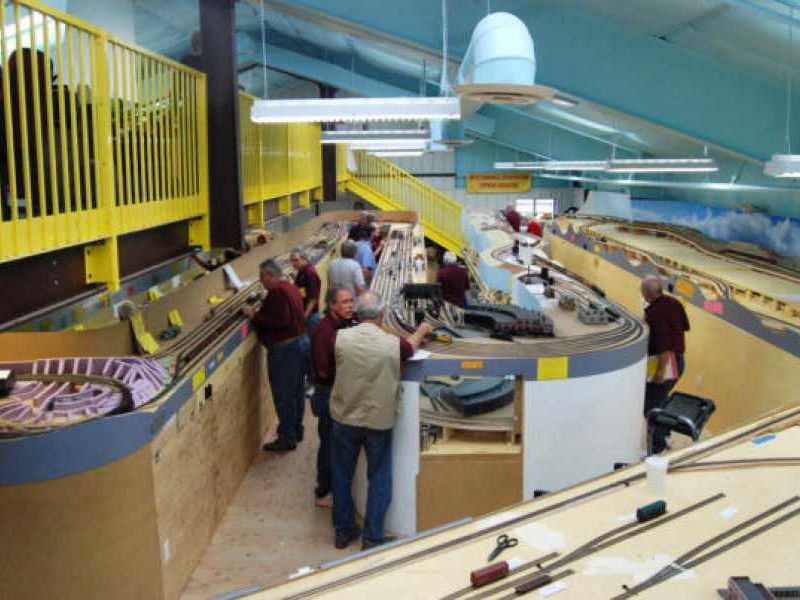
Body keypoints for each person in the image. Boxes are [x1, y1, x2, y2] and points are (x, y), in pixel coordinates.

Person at [330, 292, 433, 550]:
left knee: (342, 475)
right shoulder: (392, 344)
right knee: (379, 478)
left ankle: (343, 531)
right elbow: (410, 347)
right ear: (381, 315)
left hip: (345, 417)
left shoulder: (340, 338)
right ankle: (372, 537)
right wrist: (422, 330)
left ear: (357, 313)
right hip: (378, 421)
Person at [243, 259, 308, 451]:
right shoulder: (290, 287)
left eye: (262, 276)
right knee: (297, 391)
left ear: (270, 275)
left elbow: (282, 319)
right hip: (300, 344)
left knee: (283, 395)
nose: (261, 280)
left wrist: (255, 316)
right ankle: (296, 429)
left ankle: (287, 438)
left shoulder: (277, 292)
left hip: (285, 351)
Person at [310, 287, 356, 508]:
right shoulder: (324, 331)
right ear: (331, 305)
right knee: (329, 444)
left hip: (334, 392)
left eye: (351, 301)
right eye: (344, 302)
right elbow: (322, 370)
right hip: (328, 394)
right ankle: (323, 492)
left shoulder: (342, 325)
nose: (350, 306)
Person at [641, 275, 691, 454]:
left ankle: (658, 448)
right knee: (660, 400)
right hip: (679, 361)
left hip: (666, 365)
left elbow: (665, 347)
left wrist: (660, 371)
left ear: (646, 294)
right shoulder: (674, 302)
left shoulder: (653, 313)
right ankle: (665, 437)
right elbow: (685, 326)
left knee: (651, 408)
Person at [290, 247, 322, 336]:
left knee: (313, 340)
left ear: (304, 258)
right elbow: (303, 290)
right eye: (292, 261)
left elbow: (313, 299)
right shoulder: (302, 271)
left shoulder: (310, 273)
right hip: (306, 314)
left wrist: (304, 316)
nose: (293, 264)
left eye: (296, 260)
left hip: (311, 316)